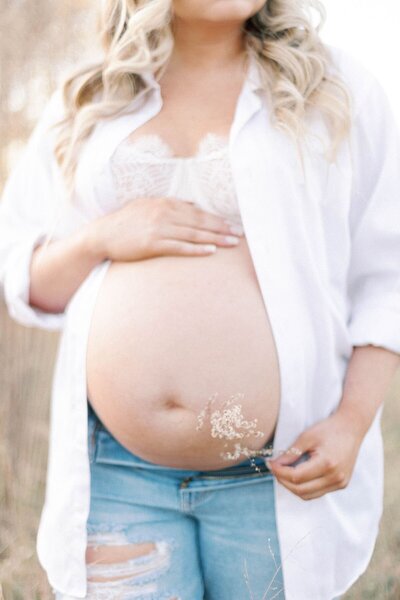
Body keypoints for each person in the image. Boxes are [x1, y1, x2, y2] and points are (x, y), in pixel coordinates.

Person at [1, 1, 400, 598]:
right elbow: (28, 283)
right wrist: (101, 238)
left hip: (275, 472)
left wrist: (351, 422)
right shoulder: (90, 96)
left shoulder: (334, 88)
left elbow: (387, 272)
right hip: (118, 473)